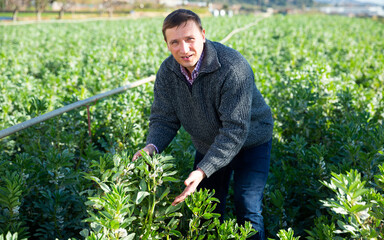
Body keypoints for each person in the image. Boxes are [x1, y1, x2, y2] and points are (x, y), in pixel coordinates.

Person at [132, 9, 273, 240]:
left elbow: (235, 131)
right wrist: (151, 147)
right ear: (167, 44)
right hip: (208, 144)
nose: (184, 49)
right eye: (175, 42)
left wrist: (202, 170)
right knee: (205, 209)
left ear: (203, 35)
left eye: (190, 39)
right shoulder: (168, 73)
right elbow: (164, 118)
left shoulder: (233, 68)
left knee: (247, 208)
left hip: (250, 143)